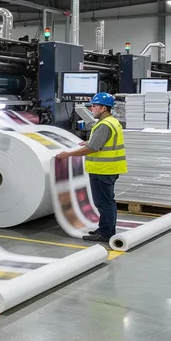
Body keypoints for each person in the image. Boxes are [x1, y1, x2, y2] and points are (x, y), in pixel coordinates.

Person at [55, 92, 125, 242]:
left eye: (94, 106)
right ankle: (104, 229)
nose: (91, 108)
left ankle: (106, 234)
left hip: (103, 170)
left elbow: (93, 149)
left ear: (103, 108)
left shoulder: (104, 125)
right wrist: (88, 142)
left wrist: (68, 154)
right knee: (106, 202)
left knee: (104, 203)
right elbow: (103, 142)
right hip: (108, 169)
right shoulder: (111, 122)